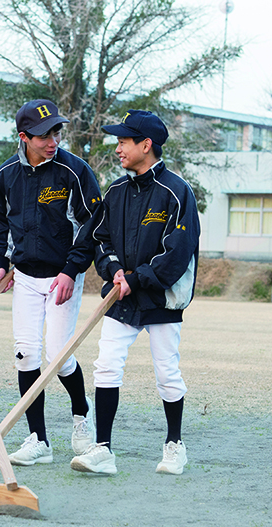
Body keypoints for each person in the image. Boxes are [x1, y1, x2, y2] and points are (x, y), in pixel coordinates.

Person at [70, 109, 200, 476]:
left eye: (124, 141)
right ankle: (104, 449)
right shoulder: (116, 191)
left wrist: (137, 278)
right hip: (122, 297)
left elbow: (177, 251)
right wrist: (113, 271)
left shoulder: (177, 192)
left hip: (160, 298)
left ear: (147, 145)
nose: (118, 148)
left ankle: (174, 444)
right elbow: (100, 239)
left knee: (167, 373)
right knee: (106, 366)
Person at [0, 99, 103, 466]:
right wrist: (1, 262)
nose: (52, 140)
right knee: (26, 355)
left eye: (56, 132)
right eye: (43, 135)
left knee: (58, 356)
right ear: (24, 137)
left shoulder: (74, 171)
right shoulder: (6, 174)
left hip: (62, 277)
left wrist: (72, 269)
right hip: (24, 277)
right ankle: (38, 439)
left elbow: (91, 224)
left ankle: (81, 414)